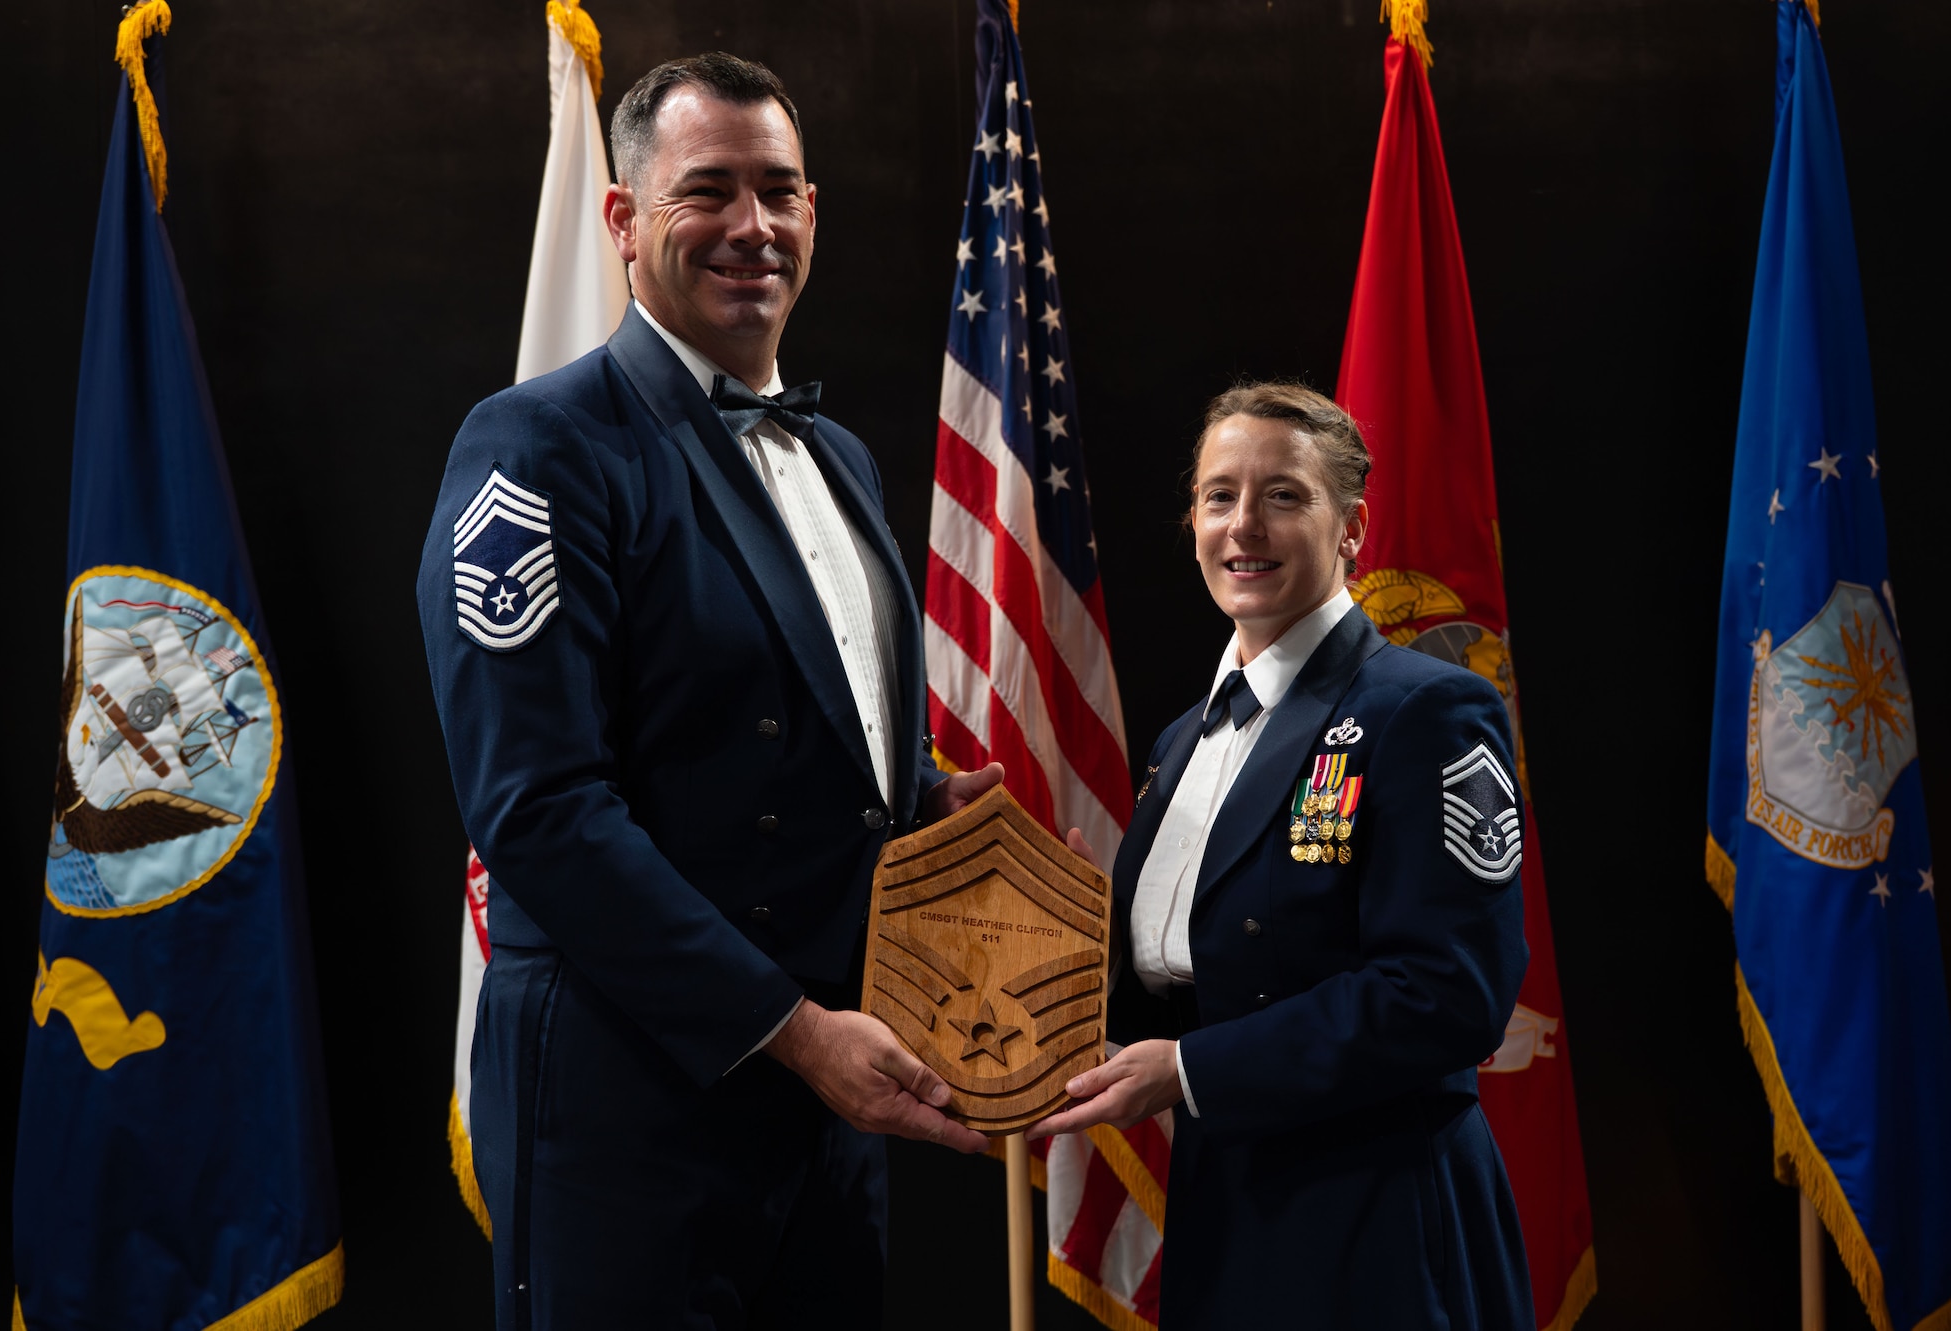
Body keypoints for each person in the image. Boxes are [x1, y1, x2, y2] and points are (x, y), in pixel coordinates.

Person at [416, 52, 995, 1331]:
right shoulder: (534, 446)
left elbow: (766, 739)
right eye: (708, 191)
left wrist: (913, 804)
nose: (753, 226)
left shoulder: (836, 456)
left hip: (825, 1099)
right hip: (632, 1111)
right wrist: (791, 1029)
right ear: (622, 219)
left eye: (780, 191)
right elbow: (541, 809)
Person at [1028, 382, 1535, 1328]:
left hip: (1379, 1219)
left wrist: (1188, 1073)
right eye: (1220, 495)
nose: (1243, 525)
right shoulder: (1185, 740)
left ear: (1352, 527)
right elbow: (1184, 983)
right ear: (1192, 522)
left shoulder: (1425, 710)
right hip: (1229, 1208)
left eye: (1284, 495)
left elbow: (1451, 992)